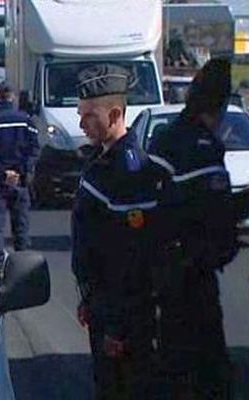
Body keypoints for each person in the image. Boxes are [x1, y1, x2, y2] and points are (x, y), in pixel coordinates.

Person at [71, 64, 164, 399]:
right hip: (102, 307)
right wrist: (87, 298)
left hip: (123, 319)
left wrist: (116, 327)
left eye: (89, 115)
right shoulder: (103, 163)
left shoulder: (129, 172)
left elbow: (131, 260)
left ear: (114, 114)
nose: (81, 123)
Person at [148, 58, 238, 399]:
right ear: (220, 105)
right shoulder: (200, 148)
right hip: (188, 277)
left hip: (171, 274)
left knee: (175, 367)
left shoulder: (168, 140)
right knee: (205, 373)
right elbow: (213, 213)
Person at [0, 82, 39, 272]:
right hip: (20, 182)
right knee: (21, 227)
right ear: (12, 97)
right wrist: (22, 171)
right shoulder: (26, 120)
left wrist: (3, 172)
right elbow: (34, 149)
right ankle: (24, 269)